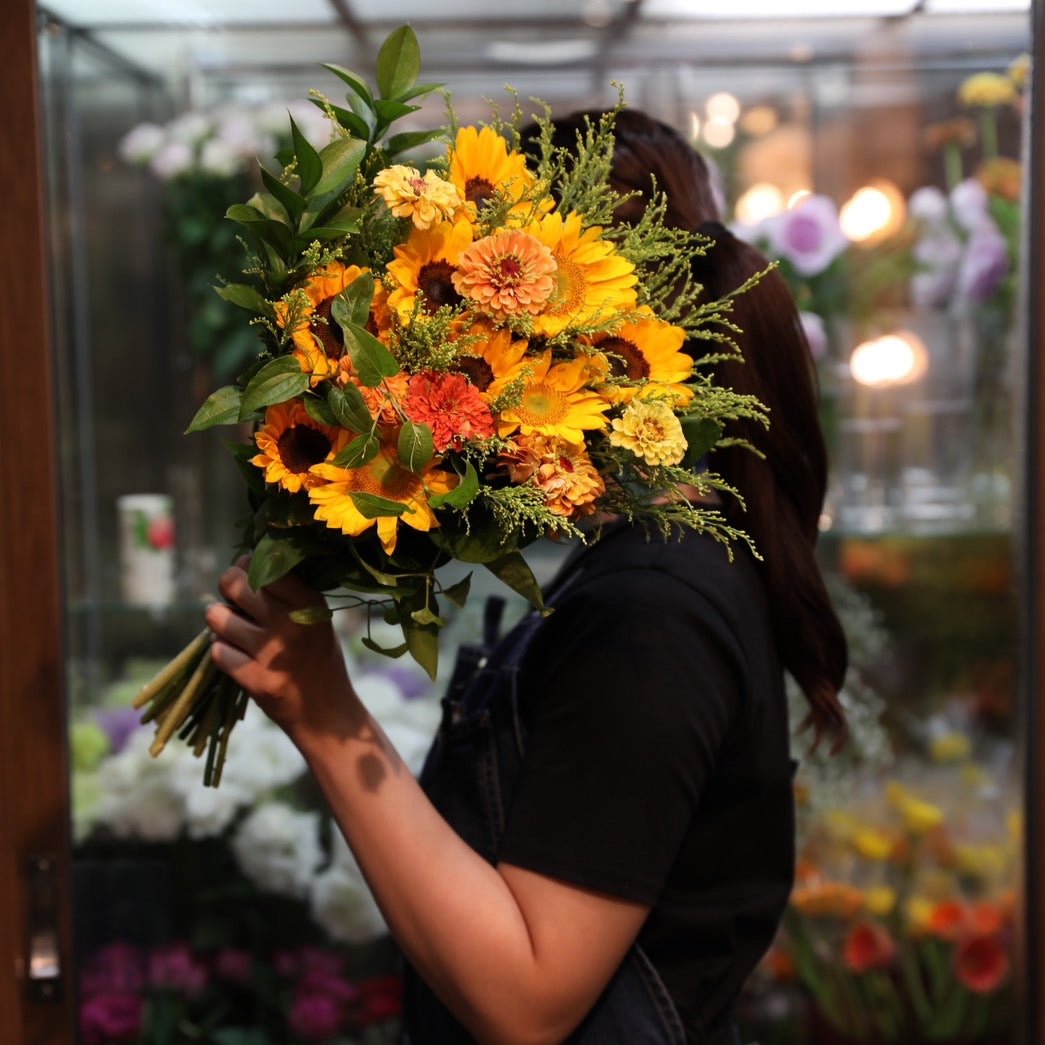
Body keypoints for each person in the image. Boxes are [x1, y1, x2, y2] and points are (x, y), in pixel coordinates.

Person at [204, 108, 848, 1045]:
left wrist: (324, 712)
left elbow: (528, 999)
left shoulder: (652, 611)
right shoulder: (659, 565)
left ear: (557, 331)